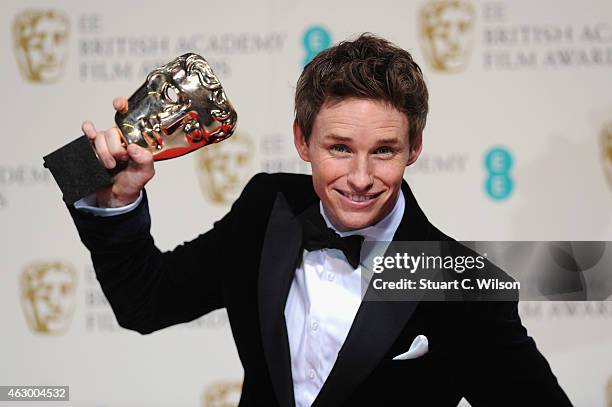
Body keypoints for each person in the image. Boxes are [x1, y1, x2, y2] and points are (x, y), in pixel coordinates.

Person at [68, 34, 572, 406]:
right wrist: (97, 186)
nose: (359, 177)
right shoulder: (268, 208)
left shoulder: (456, 282)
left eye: (384, 151)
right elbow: (145, 303)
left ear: (414, 149)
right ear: (301, 141)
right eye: (339, 148)